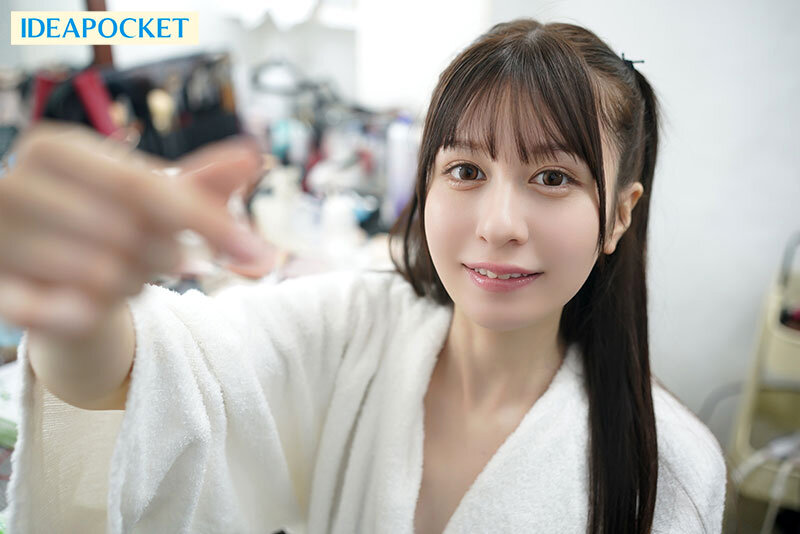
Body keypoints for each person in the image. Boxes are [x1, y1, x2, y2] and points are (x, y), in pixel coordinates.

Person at [0, 18, 727, 534]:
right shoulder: (354, 328)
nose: (500, 223)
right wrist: (80, 315)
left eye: (553, 177)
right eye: (466, 170)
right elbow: (167, 373)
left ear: (619, 215)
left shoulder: (674, 470)